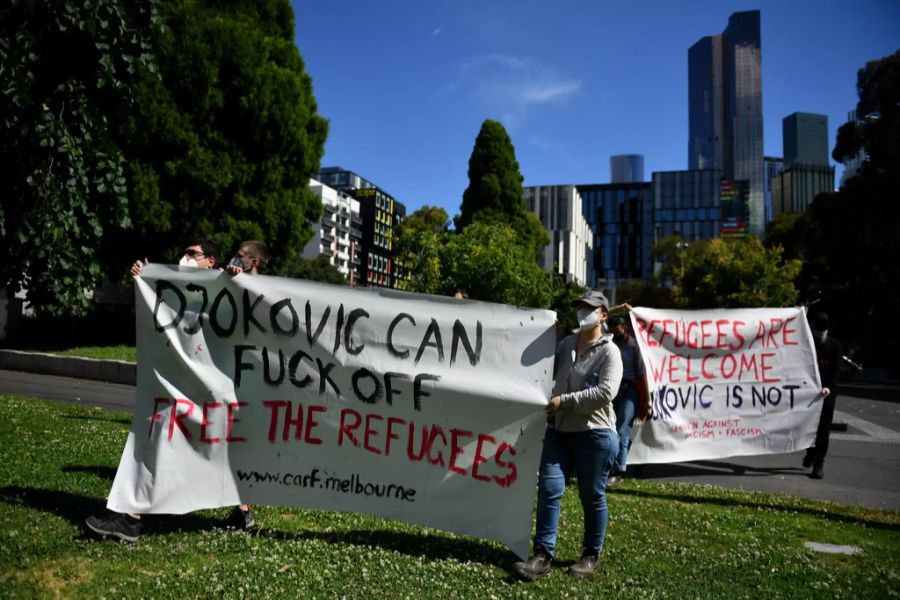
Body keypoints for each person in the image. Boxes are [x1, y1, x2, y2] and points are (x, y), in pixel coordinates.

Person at [85, 236, 232, 541]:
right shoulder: (172, 288)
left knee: (217, 453)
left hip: (206, 391)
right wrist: (144, 276)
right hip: (174, 390)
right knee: (157, 446)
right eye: (185, 252)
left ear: (210, 262)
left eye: (193, 254)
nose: (184, 257)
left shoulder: (223, 288)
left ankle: (133, 518)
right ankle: (130, 519)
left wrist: (235, 277)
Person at [514, 290, 622, 581]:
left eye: (590, 308)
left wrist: (565, 401)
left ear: (604, 315)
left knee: (592, 495)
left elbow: (605, 393)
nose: (583, 312)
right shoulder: (565, 344)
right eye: (580, 307)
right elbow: (542, 372)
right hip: (559, 432)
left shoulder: (610, 352)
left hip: (595, 435)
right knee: (549, 489)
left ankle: (590, 556)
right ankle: (542, 556)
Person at [222, 240, 271, 526]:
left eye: (240, 256)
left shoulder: (269, 290)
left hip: (253, 376)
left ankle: (243, 507)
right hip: (232, 369)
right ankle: (242, 509)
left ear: (254, 262)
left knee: (242, 441)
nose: (235, 259)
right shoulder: (231, 281)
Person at [606, 316, 650, 489]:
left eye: (619, 330)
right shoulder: (610, 344)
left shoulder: (633, 346)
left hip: (629, 390)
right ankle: (610, 466)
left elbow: (642, 373)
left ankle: (618, 471)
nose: (617, 333)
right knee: (611, 428)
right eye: (614, 331)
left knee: (623, 430)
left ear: (625, 327)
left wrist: (646, 399)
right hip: (612, 390)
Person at [803, 311, 842, 479]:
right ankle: (810, 452)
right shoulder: (807, 343)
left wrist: (828, 387)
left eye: (819, 331)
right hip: (808, 395)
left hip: (826, 395)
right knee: (805, 428)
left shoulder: (835, 346)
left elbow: (836, 370)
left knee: (823, 431)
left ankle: (819, 464)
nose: (817, 334)